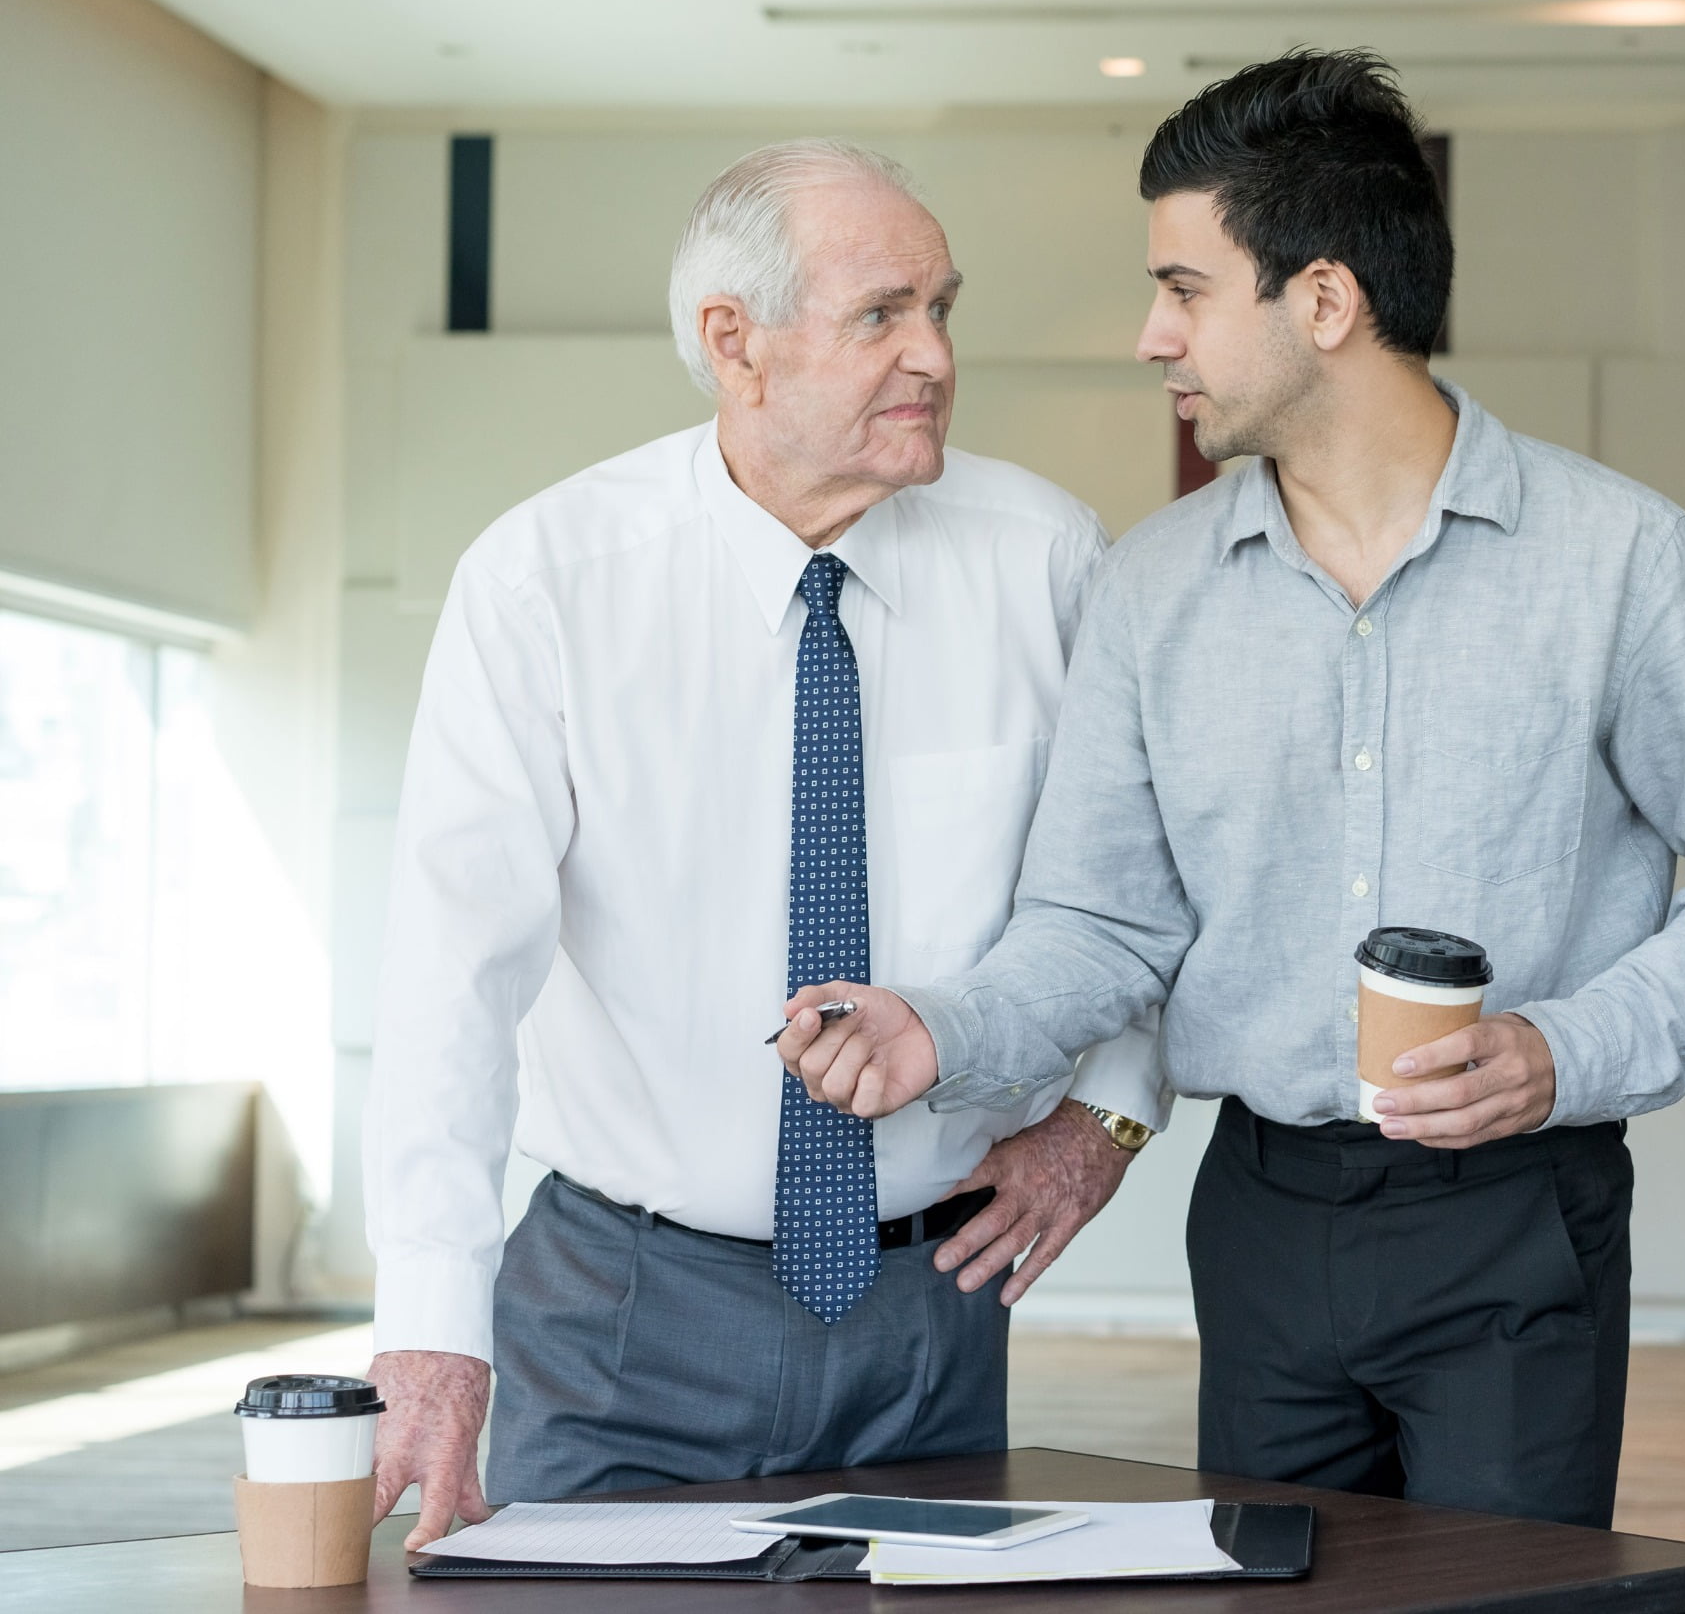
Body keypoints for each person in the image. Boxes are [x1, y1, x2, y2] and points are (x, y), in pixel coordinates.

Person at [777, 53, 1685, 1529]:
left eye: (1185, 287)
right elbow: (1100, 924)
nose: (1154, 336)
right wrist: (937, 1026)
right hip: (1265, 1219)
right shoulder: (1153, 591)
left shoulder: (1622, 563)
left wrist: (1569, 1048)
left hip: (1516, 1213)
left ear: (1326, 302)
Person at [362, 138, 1164, 1552]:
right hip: (619, 1315)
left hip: (933, 1311)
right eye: (882, 315)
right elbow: (450, 972)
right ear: (736, 344)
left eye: (943, 308)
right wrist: (432, 1321)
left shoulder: (1043, 557)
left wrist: (1102, 1119)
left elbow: (1132, 886)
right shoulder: (548, 581)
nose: (933, 355)